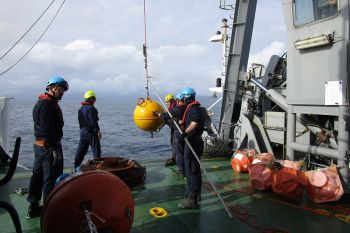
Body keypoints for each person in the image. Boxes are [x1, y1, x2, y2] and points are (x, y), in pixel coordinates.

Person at [27, 76, 69, 218]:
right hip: (47, 147)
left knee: (37, 175)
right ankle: (49, 210)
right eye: (60, 89)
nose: (62, 92)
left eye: (63, 90)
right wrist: (53, 148)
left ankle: (33, 207)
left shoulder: (45, 102)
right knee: (49, 178)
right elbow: (46, 129)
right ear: (51, 88)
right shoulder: (47, 104)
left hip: (40, 146)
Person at [178, 87, 204, 209]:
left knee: (191, 170)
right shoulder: (196, 108)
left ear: (186, 97)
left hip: (193, 142)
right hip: (195, 141)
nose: (182, 99)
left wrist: (186, 133)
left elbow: (195, 123)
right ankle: (195, 194)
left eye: (183, 97)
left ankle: (192, 200)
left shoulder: (193, 109)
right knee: (194, 169)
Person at [74, 90, 101, 169]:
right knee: (96, 151)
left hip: (83, 132)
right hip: (91, 132)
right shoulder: (91, 108)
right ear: (91, 99)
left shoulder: (81, 108)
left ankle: (76, 167)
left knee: (81, 150)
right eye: (94, 99)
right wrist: (98, 131)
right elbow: (93, 121)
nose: (95, 101)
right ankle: (98, 168)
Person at [162, 94, 177, 166]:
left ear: (170, 101)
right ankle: (174, 158)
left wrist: (164, 118)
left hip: (176, 130)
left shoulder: (174, 108)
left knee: (175, 144)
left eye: (167, 102)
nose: (167, 104)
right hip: (174, 129)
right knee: (173, 143)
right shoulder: (174, 107)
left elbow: (172, 120)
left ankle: (175, 159)